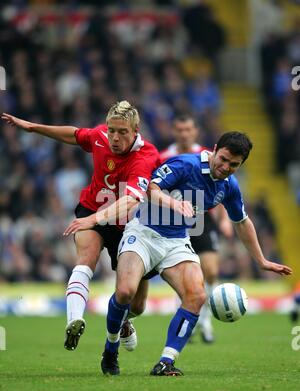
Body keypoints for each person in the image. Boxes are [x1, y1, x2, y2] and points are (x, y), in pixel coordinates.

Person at [64, 131, 292, 376]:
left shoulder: (229, 187)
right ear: (215, 149)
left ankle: (166, 362)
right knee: (125, 293)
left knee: (196, 295)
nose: (226, 167)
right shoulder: (185, 164)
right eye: (223, 159)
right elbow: (151, 189)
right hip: (143, 233)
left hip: (176, 242)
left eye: (234, 165)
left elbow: (242, 222)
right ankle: (111, 348)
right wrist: (175, 204)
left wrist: (262, 260)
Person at [1, 101, 161, 352]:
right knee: (86, 257)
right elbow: (74, 134)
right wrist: (33, 127)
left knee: (137, 303)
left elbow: (130, 201)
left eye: (122, 132)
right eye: (111, 130)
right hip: (92, 208)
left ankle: (124, 320)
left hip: (126, 224)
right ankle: (74, 319)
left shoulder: (146, 156)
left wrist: (93, 219)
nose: (114, 138)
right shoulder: (100, 137)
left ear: (136, 130)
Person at [161, 114, 233, 343]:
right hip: (171, 219)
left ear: (195, 131)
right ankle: (185, 318)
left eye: (188, 129)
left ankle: (206, 322)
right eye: (180, 129)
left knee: (210, 270)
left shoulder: (210, 155)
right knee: (180, 271)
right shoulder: (164, 156)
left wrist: (224, 219)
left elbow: (220, 188)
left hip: (202, 217)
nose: (184, 133)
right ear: (174, 131)